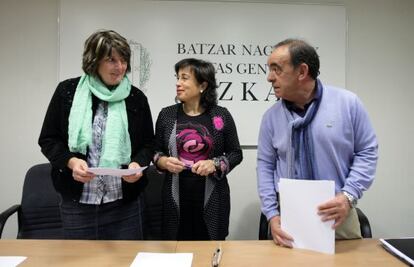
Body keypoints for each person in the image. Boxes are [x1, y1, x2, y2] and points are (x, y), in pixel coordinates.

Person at [257, 38, 378, 246]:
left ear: (302, 72)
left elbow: (367, 152)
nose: (269, 78)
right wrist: (272, 215)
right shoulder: (271, 117)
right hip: (288, 220)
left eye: (277, 69)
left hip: (338, 215)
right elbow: (265, 166)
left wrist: (348, 196)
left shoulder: (348, 104)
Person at [38, 29, 154, 240]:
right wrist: (71, 162)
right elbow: (48, 139)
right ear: (94, 61)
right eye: (111, 60)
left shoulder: (136, 98)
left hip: (124, 203)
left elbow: (148, 144)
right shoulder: (67, 91)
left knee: (127, 262)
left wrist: (137, 164)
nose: (120, 67)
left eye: (123, 60)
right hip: (78, 204)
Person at [153, 58, 243, 240]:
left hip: (212, 199)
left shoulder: (221, 115)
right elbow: (155, 152)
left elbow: (236, 153)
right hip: (175, 199)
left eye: (185, 78)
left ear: (202, 85)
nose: (178, 83)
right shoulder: (167, 115)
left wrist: (215, 164)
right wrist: (162, 161)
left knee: (209, 253)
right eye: (178, 78)